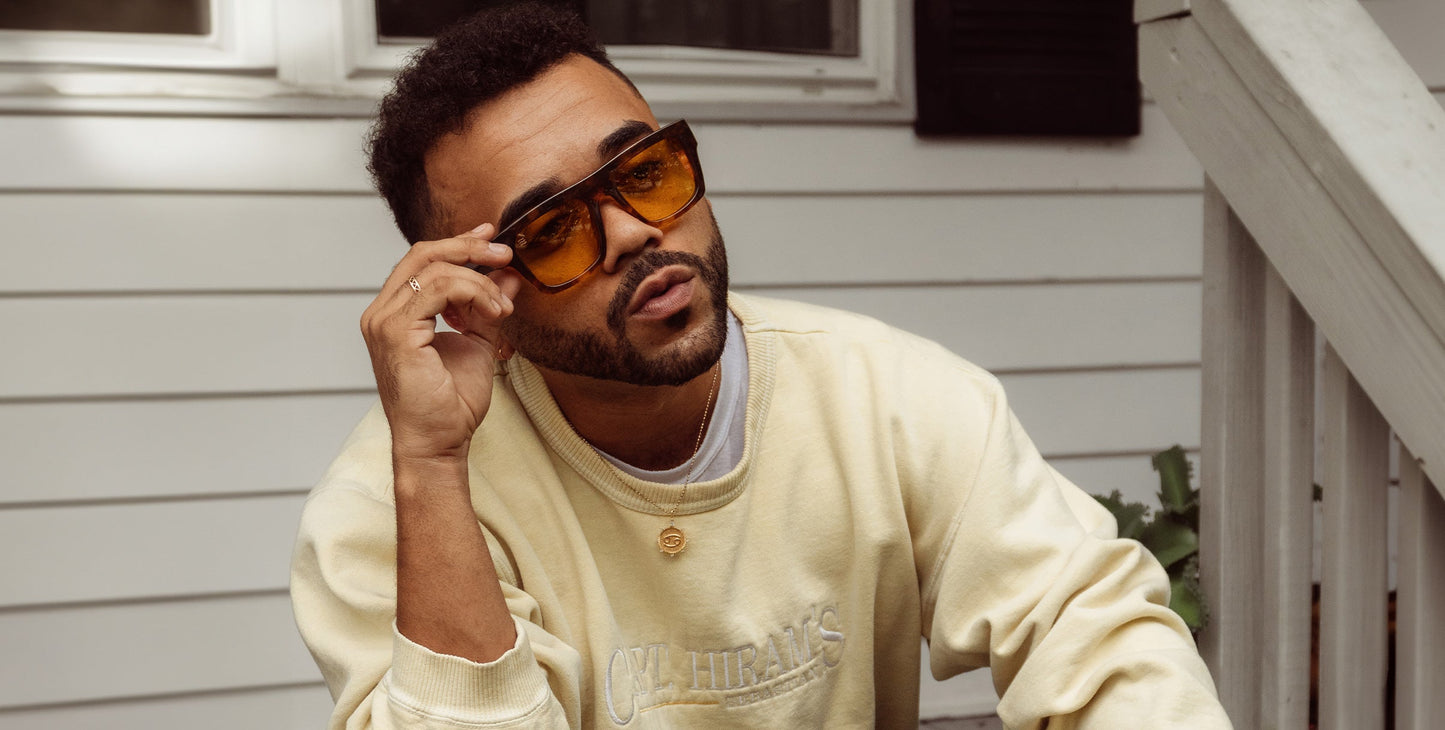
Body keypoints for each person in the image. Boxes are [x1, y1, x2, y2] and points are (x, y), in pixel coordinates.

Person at [290, 4, 1232, 728]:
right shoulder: (396, 499)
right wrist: (432, 468)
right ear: (476, 293)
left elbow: (1095, 635)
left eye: (644, 170)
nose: (632, 231)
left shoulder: (891, 398)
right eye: (550, 228)